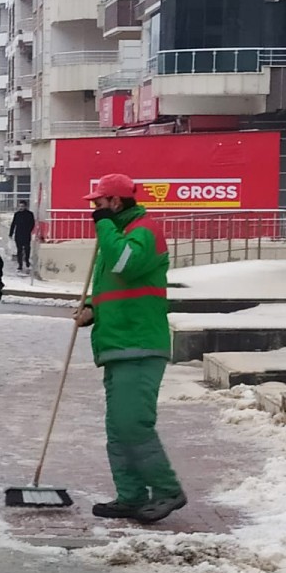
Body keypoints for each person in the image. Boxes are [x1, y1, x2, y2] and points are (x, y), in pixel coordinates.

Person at [74, 173, 186, 524]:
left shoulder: (143, 232)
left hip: (139, 343)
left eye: (99, 203)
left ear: (116, 203)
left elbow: (125, 263)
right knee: (118, 428)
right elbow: (115, 284)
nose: (94, 209)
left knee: (132, 424)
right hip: (118, 343)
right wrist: (93, 305)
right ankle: (131, 495)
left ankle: (166, 490)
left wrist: (104, 227)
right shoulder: (121, 234)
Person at [9, 200, 36, 273]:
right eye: (20, 206)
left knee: (27, 249)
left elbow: (32, 223)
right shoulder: (17, 214)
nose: (21, 208)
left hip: (26, 234)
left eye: (22, 206)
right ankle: (20, 265)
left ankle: (27, 261)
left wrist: (29, 230)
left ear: (25, 206)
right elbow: (13, 224)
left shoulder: (30, 214)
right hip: (18, 234)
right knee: (19, 250)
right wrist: (11, 233)